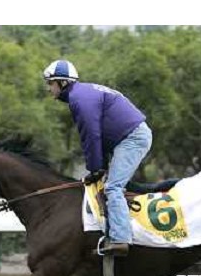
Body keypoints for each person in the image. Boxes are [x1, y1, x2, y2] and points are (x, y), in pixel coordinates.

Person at [43, 59, 152, 256]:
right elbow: (96, 137)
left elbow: (92, 136)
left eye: (51, 83)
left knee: (112, 187)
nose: (48, 88)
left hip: (132, 138)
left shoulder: (79, 99)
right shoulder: (80, 94)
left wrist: (94, 168)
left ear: (63, 82)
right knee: (104, 183)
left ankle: (120, 240)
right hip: (125, 137)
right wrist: (96, 169)